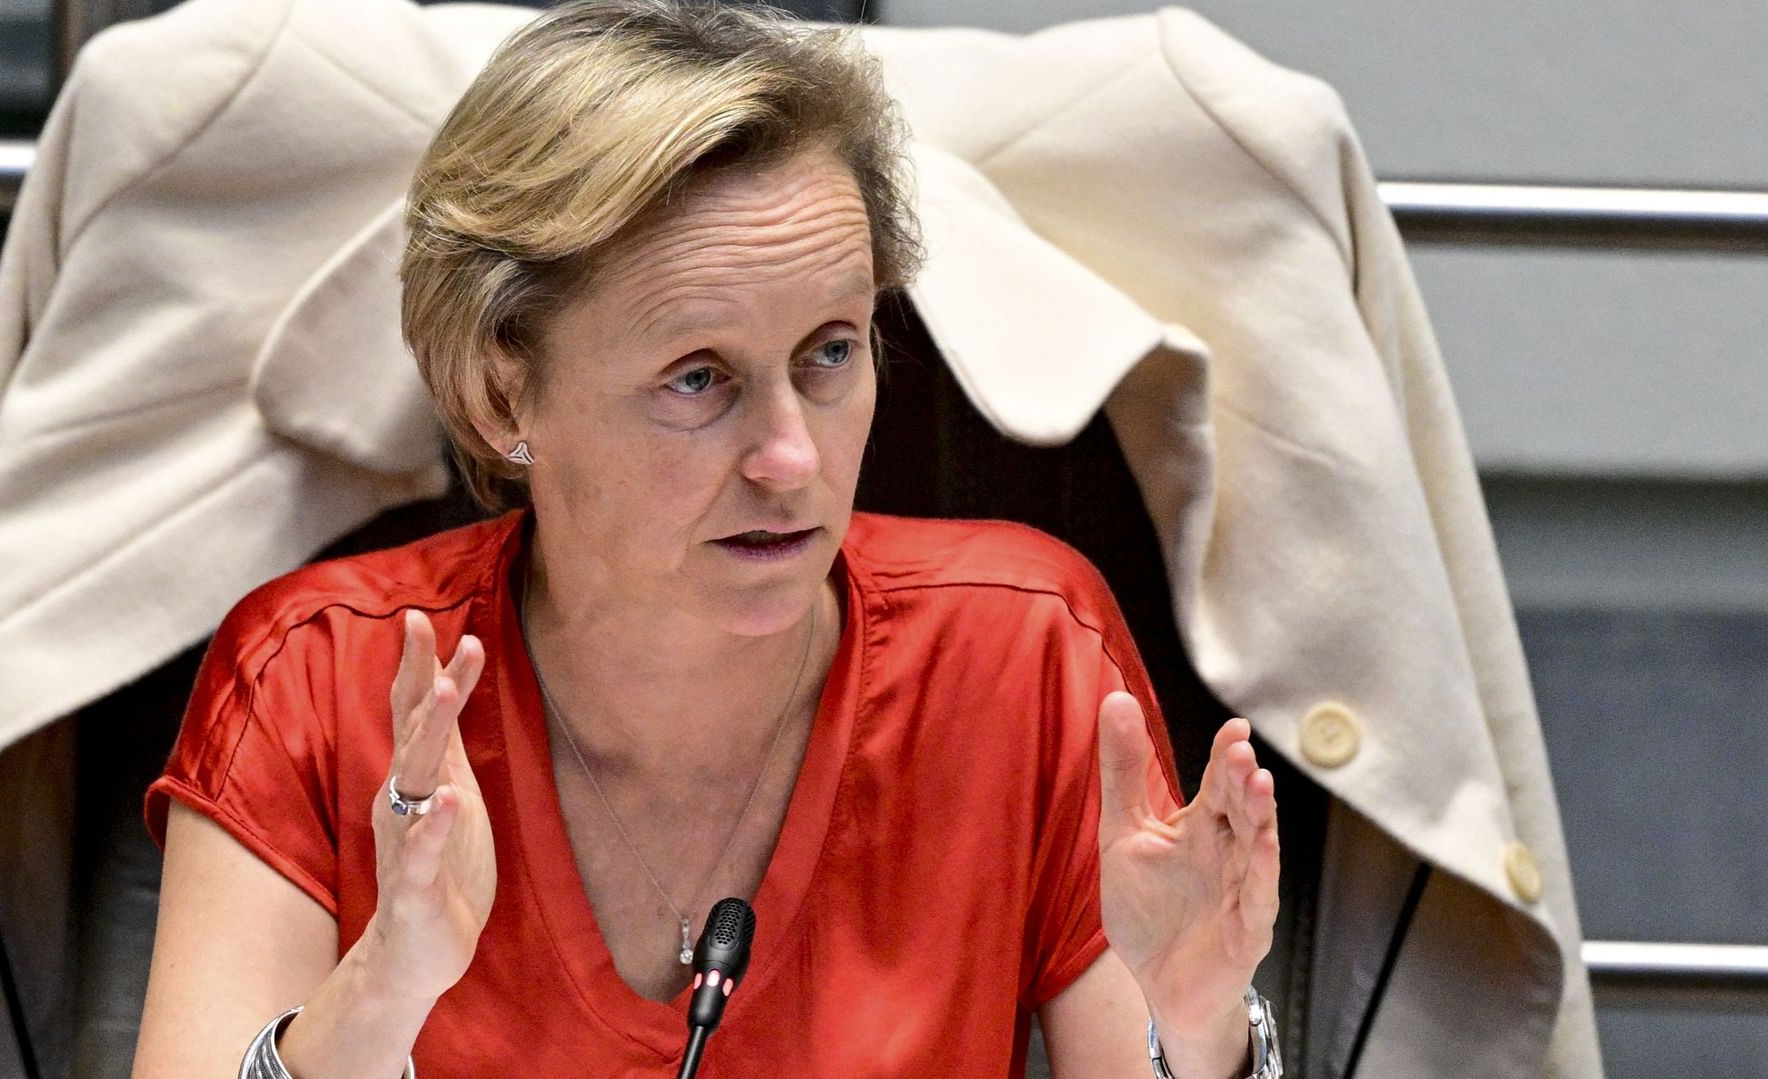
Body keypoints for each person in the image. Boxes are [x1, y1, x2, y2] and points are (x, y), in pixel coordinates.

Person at [130, 1, 1282, 1076]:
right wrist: (383, 989)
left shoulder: (1020, 653)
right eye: (698, 377)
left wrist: (1200, 1036)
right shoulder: (317, 676)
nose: (791, 457)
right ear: (500, 394)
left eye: (830, 352)